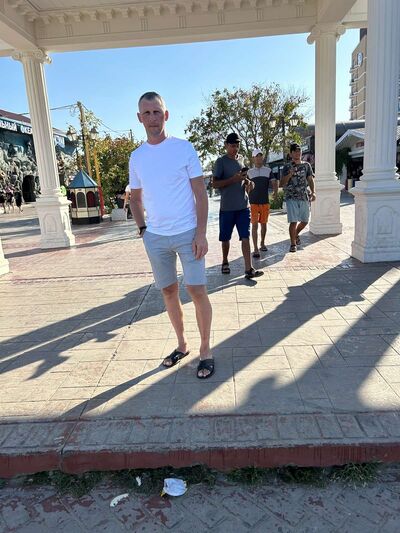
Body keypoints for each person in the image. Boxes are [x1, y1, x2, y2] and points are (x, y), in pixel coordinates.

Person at [129, 92, 214, 379]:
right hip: (156, 238)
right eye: (147, 113)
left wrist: (201, 233)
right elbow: (135, 198)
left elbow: (200, 193)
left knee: (197, 290)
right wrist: (143, 230)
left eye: (157, 112)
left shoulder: (184, 148)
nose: (152, 118)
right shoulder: (136, 157)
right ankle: (182, 345)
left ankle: (205, 349)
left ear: (166, 115)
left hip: (188, 233)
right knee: (168, 291)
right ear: (139, 118)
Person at [213, 132, 263, 280]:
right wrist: (233, 180)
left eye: (237, 146)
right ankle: (225, 261)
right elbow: (214, 184)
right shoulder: (220, 162)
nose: (235, 149)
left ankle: (249, 269)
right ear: (226, 145)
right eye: (232, 146)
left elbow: (243, 180)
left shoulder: (241, 160)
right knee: (225, 238)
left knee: (245, 236)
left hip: (243, 207)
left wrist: (249, 183)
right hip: (227, 208)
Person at [280, 143, 316, 252]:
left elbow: (310, 179)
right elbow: (282, 183)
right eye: (295, 151)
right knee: (293, 221)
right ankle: (293, 244)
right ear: (291, 153)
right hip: (291, 197)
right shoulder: (287, 166)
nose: (298, 153)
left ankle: (295, 234)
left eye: (299, 151)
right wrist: (289, 174)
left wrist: (313, 192)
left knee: (305, 221)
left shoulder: (307, 165)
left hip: (304, 196)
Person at [248, 149, 278, 258]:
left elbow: (274, 181)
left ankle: (262, 243)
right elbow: (246, 186)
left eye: (260, 156)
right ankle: (255, 248)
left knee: (264, 224)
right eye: (256, 156)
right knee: (254, 225)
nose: (259, 158)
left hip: (265, 202)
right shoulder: (249, 172)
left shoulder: (268, 170)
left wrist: (275, 192)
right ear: (253, 158)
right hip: (253, 203)